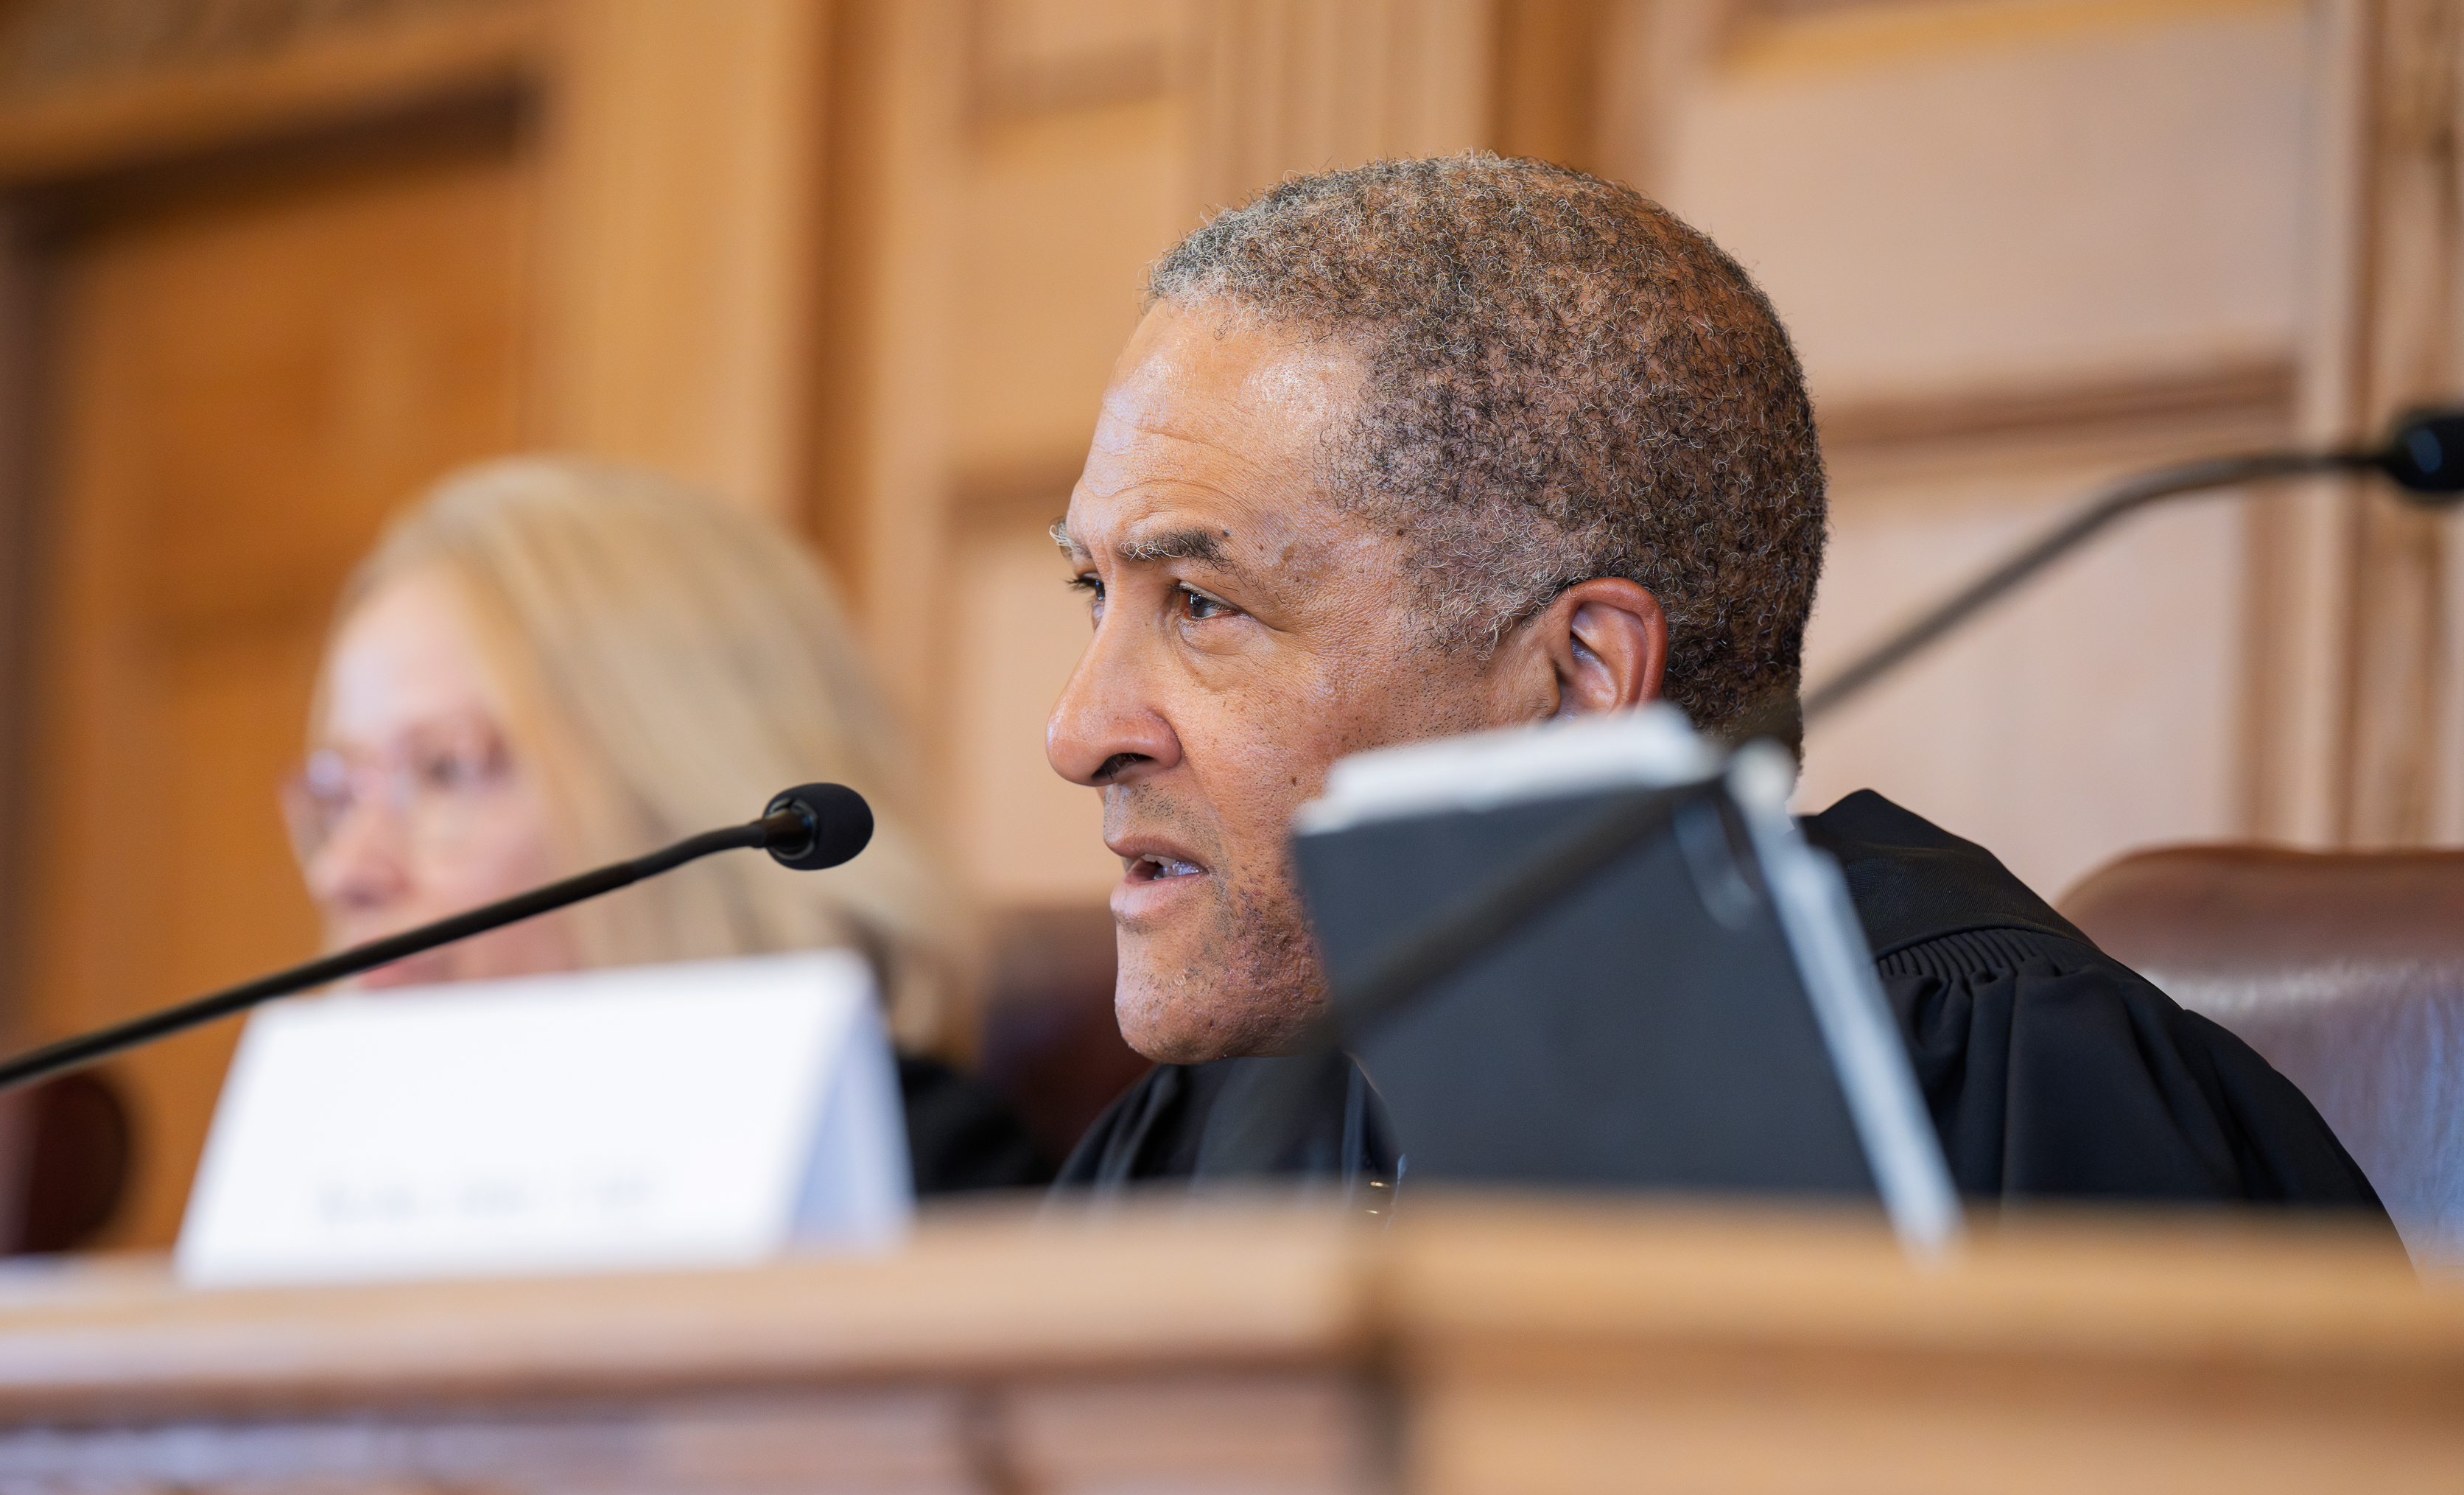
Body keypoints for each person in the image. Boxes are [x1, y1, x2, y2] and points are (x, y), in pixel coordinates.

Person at [1044, 153, 2382, 1216]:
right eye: (1096, 592)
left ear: (1580, 680)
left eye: (1201, 603)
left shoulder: (2000, 1100)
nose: (1079, 732)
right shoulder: (1208, 1141)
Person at [286, 455, 1045, 1196]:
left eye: (446, 770)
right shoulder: (309, 1179)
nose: (343, 873)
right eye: (341, 793)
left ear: (677, 791)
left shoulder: (907, 1176)